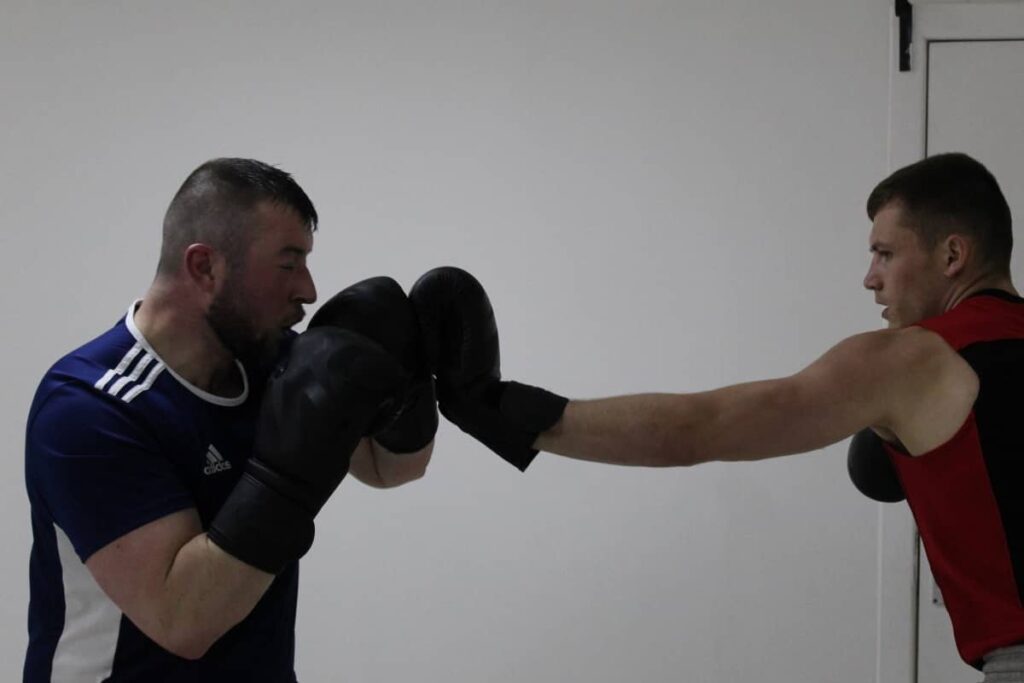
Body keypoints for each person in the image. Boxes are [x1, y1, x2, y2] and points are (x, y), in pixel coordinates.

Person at [408, 152, 1024, 676]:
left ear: (952, 256)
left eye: (885, 253)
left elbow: (695, 429)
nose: (870, 279)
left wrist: (502, 408)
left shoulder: (911, 359)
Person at [24, 158, 435, 682]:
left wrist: (416, 384)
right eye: (288, 264)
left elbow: (388, 469)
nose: (308, 290)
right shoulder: (90, 409)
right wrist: (287, 479)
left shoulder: (270, 361)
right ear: (204, 267)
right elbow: (184, 620)